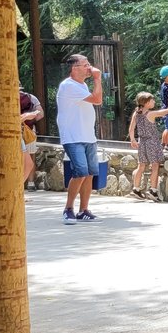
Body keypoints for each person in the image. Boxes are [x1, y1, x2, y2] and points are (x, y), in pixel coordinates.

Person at [55, 53, 104, 224]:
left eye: (88, 64)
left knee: (89, 173)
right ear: (74, 68)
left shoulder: (82, 85)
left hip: (88, 136)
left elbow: (96, 99)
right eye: (85, 64)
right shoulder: (68, 86)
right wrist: (97, 79)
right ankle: (68, 209)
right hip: (73, 137)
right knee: (80, 172)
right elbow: (98, 99)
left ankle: (84, 210)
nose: (89, 67)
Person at [127, 88, 168, 201]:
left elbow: (131, 128)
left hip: (142, 142)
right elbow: (167, 111)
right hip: (152, 142)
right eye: (152, 101)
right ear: (147, 103)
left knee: (141, 166)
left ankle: (136, 189)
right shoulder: (151, 114)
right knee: (155, 165)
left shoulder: (136, 113)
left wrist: (133, 140)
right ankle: (153, 191)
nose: (154, 102)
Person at [19, 87, 44, 189]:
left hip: (20, 131)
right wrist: (29, 119)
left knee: (27, 162)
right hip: (28, 131)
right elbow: (40, 114)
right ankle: (30, 183)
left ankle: (18, 189)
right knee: (30, 157)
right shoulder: (31, 97)